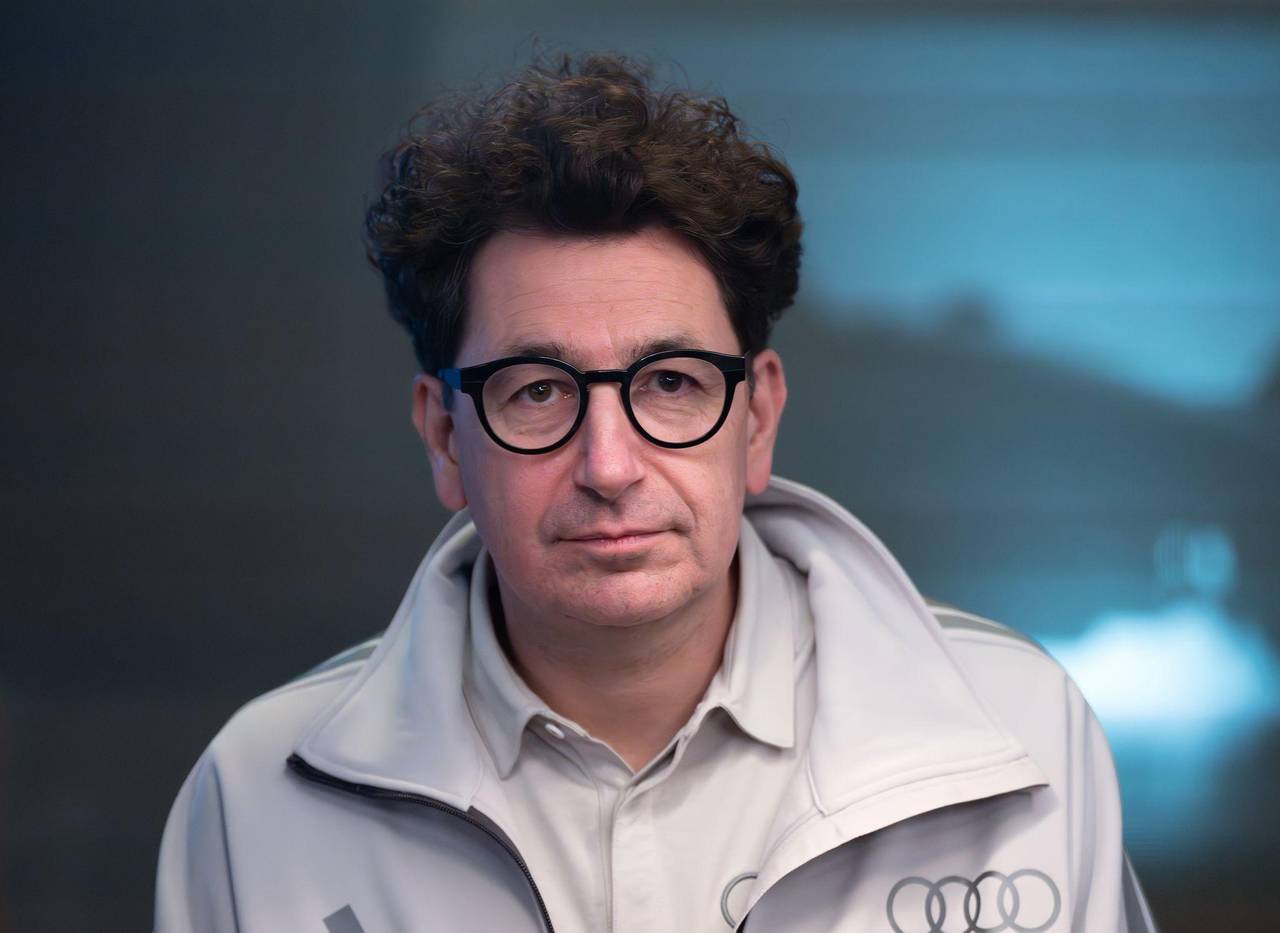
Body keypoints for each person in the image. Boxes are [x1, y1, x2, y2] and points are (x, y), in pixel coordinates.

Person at [155, 54, 1158, 933]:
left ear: (756, 420)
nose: (609, 465)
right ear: (444, 436)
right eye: (537, 390)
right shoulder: (257, 802)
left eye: (670, 383)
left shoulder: (1020, 739)